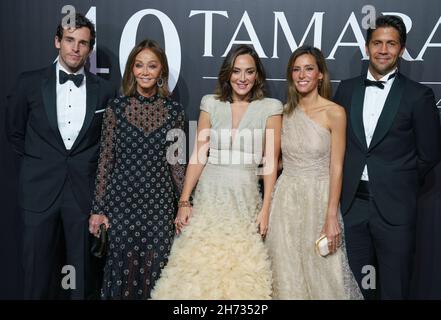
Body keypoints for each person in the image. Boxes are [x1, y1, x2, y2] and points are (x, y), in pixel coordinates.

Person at [150, 44, 282, 299]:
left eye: (249, 72)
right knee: (198, 264)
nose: (242, 78)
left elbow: (270, 163)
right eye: (236, 71)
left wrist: (266, 209)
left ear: (257, 76)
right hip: (209, 195)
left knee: (240, 269)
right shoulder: (210, 103)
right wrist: (184, 200)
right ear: (227, 74)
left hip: (245, 199)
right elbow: (199, 154)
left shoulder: (271, 108)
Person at [5, 13, 116, 299]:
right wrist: (40, 163)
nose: (75, 48)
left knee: (81, 280)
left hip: (82, 195)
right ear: (57, 41)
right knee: (35, 277)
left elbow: (107, 145)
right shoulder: (28, 83)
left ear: (89, 49)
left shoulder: (104, 91)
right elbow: (15, 133)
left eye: (83, 43)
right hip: (39, 191)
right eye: (69, 40)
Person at [333, 15, 441, 299]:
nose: (383, 50)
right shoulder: (345, 89)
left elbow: (429, 155)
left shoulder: (419, 96)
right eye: (377, 43)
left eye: (391, 44)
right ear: (367, 47)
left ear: (401, 50)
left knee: (395, 288)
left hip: (396, 208)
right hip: (352, 206)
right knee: (351, 287)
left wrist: (396, 179)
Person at [88, 39, 186, 300]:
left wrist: (185, 203)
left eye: (151, 66)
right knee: (121, 271)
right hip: (121, 205)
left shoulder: (174, 111)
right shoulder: (116, 109)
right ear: (131, 69)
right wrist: (98, 209)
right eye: (139, 65)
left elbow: (176, 163)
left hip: (159, 207)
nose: (145, 72)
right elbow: (106, 160)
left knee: (156, 271)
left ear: (161, 71)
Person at [265, 46, 363, 300]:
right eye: (296, 69)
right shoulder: (284, 113)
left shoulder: (335, 112)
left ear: (320, 74)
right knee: (285, 272)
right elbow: (275, 163)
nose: (302, 75)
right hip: (285, 201)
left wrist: (331, 216)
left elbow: (337, 166)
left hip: (319, 200)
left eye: (309, 68)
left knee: (326, 274)